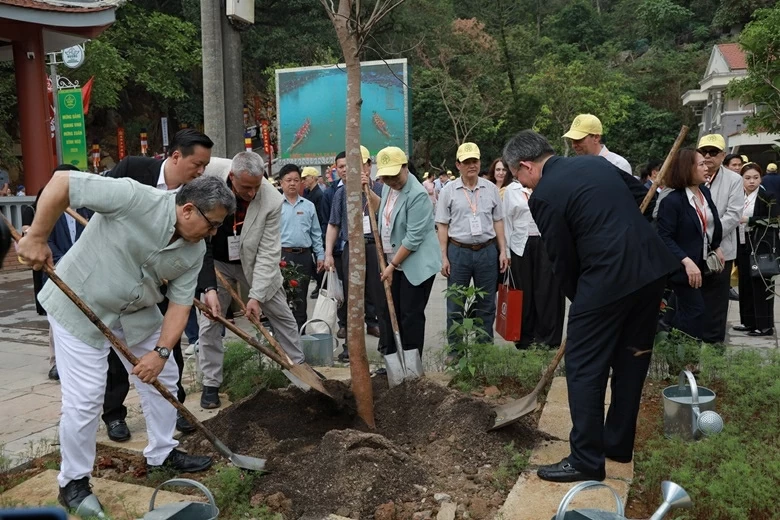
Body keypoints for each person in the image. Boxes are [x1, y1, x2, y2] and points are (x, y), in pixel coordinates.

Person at [17, 172, 232, 514]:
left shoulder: (195, 249)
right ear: (188, 210)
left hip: (135, 311)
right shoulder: (135, 197)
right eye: (212, 224)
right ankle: (72, 481)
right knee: (86, 397)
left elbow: (179, 303)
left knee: (165, 375)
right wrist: (38, 236)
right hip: (79, 304)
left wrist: (161, 353)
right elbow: (61, 183)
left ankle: (162, 452)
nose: (214, 233)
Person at [503, 130, 679, 483]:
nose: (520, 183)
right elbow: (645, 195)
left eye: (516, 176)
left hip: (606, 278)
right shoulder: (595, 164)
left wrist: (580, 303)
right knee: (632, 357)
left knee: (583, 366)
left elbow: (562, 261)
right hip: (650, 269)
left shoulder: (544, 197)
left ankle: (586, 459)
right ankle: (616, 444)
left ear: (526, 167)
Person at [101, 128, 214, 441]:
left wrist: (208, 287)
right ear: (176, 156)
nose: (202, 171)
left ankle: (173, 407)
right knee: (115, 355)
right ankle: (114, 415)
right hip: (117, 280)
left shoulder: (196, 191)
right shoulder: (133, 171)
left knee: (168, 347)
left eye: (205, 166)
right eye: (198, 164)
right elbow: (100, 208)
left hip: (162, 284)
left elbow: (201, 245)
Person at [197, 152, 307, 409]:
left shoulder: (271, 200)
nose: (251, 192)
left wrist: (255, 296)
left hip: (254, 262)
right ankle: (211, 382)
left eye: (256, 186)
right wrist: (209, 287)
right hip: (217, 262)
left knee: (282, 315)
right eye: (246, 187)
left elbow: (269, 252)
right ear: (232, 177)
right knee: (210, 321)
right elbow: (200, 238)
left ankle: (299, 370)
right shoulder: (209, 173)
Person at [362, 147, 441, 357]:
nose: (391, 181)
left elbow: (413, 239)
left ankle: (412, 366)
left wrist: (392, 266)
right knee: (392, 313)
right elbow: (383, 210)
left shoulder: (418, 195)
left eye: (395, 176)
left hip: (414, 264)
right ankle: (395, 359)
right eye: (386, 177)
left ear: (405, 167)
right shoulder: (388, 187)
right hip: (394, 261)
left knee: (410, 315)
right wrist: (367, 190)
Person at [436, 142, 509, 350]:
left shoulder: (491, 189)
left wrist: (503, 250)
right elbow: (442, 225)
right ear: (458, 165)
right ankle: (456, 350)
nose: (471, 165)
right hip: (458, 251)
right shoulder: (448, 191)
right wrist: (444, 256)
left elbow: (498, 221)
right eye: (466, 162)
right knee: (455, 303)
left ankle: (483, 349)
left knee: (486, 304)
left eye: (474, 161)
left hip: (487, 250)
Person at [324, 146, 385, 360]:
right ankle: (352, 345)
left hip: (374, 247)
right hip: (352, 247)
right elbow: (333, 224)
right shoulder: (341, 192)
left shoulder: (380, 188)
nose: (358, 169)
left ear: (369, 166)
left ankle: (386, 344)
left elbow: (381, 211)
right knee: (352, 298)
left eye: (363, 164)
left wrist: (366, 189)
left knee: (380, 296)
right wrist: (328, 252)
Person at [656, 149, 724, 339]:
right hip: (683, 268)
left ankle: (682, 359)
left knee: (690, 312)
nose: (706, 167)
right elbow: (664, 237)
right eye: (701, 164)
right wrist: (686, 261)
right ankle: (684, 361)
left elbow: (711, 223)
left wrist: (716, 246)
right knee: (694, 312)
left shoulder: (704, 191)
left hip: (703, 263)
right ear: (687, 168)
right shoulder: (672, 201)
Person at [502, 174, 564, 349]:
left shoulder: (547, 184)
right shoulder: (511, 190)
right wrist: (505, 251)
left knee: (547, 290)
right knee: (524, 291)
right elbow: (506, 220)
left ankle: (548, 339)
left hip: (545, 241)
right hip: (520, 244)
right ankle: (524, 338)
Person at [694, 134, 743, 344]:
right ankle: (690, 347)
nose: (707, 156)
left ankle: (714, 352)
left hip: (720, 250)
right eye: (703, 152)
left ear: (723, 155)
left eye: (713, 152)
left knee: (716, 305)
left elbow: (732, 215)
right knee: (692, 301)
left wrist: (707, 236)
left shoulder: (734, 180)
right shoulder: (691, 177)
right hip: (693, 250)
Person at [734, 163, 778, 336]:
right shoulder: (739, 196)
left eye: (755, 177)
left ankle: (765, 325)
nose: (752, 181)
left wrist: (749, 220)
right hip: (744, 244)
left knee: (762, 286)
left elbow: (773, 220)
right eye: (747, 178)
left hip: (761, 247)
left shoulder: (767, 195)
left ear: (761, 178)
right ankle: (749, 322)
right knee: (745, 285)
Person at [279, 164, 324, 329]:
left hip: (304, 257)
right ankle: (284, 334)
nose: (292, 183)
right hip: (282, 257)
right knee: (282, 298)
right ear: (281, 183)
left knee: (301, 298)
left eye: (296, 180)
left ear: (301, 183)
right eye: (288, 180)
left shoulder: (308, 206)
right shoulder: (275, 206)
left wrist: (320, 255)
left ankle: (300, 334)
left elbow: (316, 233)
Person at [563, 114, 632, 175]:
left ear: (596, 137)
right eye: (572, 140)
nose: (574, 145)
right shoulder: (574, 166)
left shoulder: (618, 164)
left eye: (579, 140)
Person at [302, 166, 328, 297]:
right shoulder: (307, 193)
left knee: (318, 260)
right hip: (309, 232)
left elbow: (321, 216)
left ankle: (322, 285)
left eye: (305, 178)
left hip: (317, 232)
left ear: (313, 178)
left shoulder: (319, 194)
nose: (303, 181)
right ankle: (319, 284)